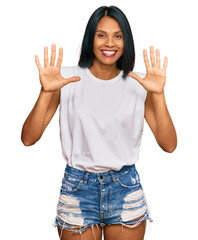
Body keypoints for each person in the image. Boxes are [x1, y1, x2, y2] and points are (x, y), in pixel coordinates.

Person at [21, 5, 177, 240]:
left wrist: (159, 94)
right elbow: (28, 138)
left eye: (118, 36)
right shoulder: (65, 79)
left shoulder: (139, 84)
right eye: (101, 35)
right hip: (78, 188)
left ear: (126, 41)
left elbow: (169, 144)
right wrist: (45, 92)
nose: (110, 43)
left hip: (124, 188)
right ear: (90, 38)